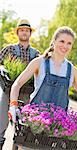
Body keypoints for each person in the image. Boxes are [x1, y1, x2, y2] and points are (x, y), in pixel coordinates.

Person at [9, 26, 77, 125]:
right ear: (54, 41)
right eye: (62, 41)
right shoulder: (39, 62)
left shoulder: (72, 71)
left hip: (58, 128)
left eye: (69, 43)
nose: (65, 46)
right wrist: (13, 106)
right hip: (35, 123)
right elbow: (17, 84)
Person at [0, 19, 40, 149]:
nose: (24, 32)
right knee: (1, 123)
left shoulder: (36, 54)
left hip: (26, 95)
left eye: (27, 31)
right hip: (8, 91)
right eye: (22, 30)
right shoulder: (9, 49)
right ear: (18, 33)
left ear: (30, 34)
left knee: (22, 129)